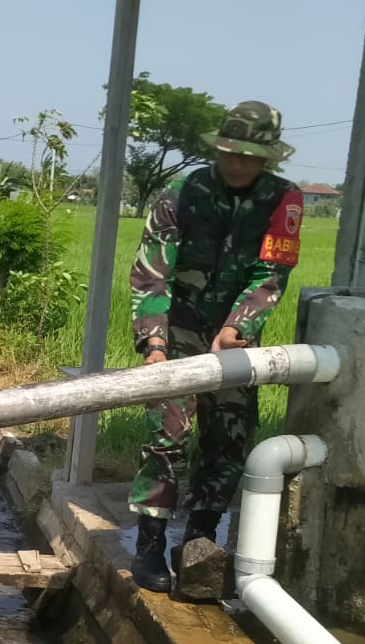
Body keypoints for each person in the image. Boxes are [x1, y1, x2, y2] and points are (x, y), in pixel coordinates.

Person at [126, 101, 303, 593]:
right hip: (179, 322)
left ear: (267, 157)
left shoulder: (284, 200)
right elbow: (151, 271)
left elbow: (271, 274)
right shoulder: (182, 194)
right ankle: (150, 547)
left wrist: (237, 327)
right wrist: (154, 340)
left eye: (249, 156)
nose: (237, 164)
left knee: (227, 437)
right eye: (229, 153)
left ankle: (199, 544)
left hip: (237, 333)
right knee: (167, 431)